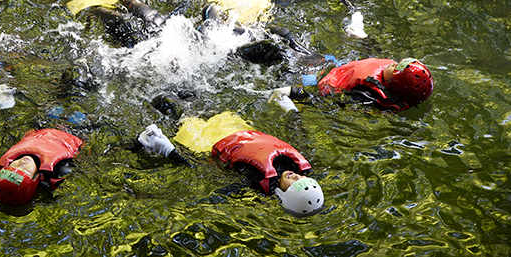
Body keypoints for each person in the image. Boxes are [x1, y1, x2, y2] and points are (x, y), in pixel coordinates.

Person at [136, 113, 325, 217]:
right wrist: (292, 111)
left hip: (205, 141)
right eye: (304, 179)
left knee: (172, 108)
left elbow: (201, 173)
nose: (298, 177)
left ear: (284, 195)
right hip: (237, 128)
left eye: (296, 184)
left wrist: (169, 151)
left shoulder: (253, 183)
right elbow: (300, 139)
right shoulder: (301, 166)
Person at [273, 57, 434, 113]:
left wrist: (295, 92)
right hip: (331, 66)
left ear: (392, 84)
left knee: (283, 64)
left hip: (317, 81)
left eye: (393, 68)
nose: (391, 64)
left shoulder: (365, 95)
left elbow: (328, 105)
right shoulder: (388, 78)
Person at [0, 128, 85, 206]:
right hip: (76, 132)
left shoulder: (11, 156)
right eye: (26, 170)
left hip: (42, 127)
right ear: (36, 177)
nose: (22, 163)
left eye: (13, 166)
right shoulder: (59, 170)